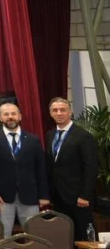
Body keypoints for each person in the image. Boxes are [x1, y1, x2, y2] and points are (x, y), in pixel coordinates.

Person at [0, 103, 49, 238]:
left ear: (20, 116)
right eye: (6, 114)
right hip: (2, 197)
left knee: (33, 235)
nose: (10, 117)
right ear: (0, 118)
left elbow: (41, 169)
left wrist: (44, 195)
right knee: (3, 236)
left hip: (30, 195)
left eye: (13, 113)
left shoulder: (33, 140)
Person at [45, 97, 99, 238]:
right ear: (50, 113)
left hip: (78, 197)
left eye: (63, 110)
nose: (59, 113)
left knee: (84, 235)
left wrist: (84, 195)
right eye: (55, 110)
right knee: (65, 235)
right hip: (58, 197)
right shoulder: (50, 135)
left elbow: (91, 168)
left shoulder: (84, 136)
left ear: (70, 112)